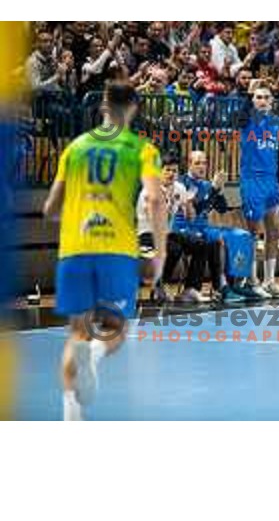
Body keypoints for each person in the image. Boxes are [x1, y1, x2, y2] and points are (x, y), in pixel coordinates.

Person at [43, 81, 167, 421]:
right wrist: (159, 252)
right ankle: (95, 355)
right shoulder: (142, 149)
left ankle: (71, 417)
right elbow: (155, 199)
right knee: (116, 327)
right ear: (135, 109)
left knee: (77, 332)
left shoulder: (76, 147)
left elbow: (50, 207)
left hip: (75, 249)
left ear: (103, 108)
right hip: (116, 250)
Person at [238, 83, 279, 298]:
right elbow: (240, 117)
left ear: (272, 101)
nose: (262, 100)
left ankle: (269, 281)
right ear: (253, 100)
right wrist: (248, 92)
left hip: (271, 181)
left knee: (274, 231)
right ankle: (252, 280)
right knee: (254, 233)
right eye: (258, 97)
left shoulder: (276, 123)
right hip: (252, 180)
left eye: (266, 97)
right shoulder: (246, 119)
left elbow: (277, 155)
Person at [177, 150, 255, 303]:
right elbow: (197, 210)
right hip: (187, 228)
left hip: (205, 227)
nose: (202, 166)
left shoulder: (206, 184)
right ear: (189, 164)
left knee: (242, 235)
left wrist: (219, 189)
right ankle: (222, 287)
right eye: (197, 163)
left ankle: (238, 283)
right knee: (219, 239)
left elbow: (222, 208)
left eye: (204, 163)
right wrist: (213, 189)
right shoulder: (182, 183)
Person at [137, 153, 206, 304]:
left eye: (174, 171)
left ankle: (190, 289)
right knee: (173, 248)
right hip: (147, 234)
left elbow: (190, 218)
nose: (171, 174)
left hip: (166, 234)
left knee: (200, 244)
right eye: (167, 170)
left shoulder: (179, 188)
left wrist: (188, 203)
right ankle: (159, 286)